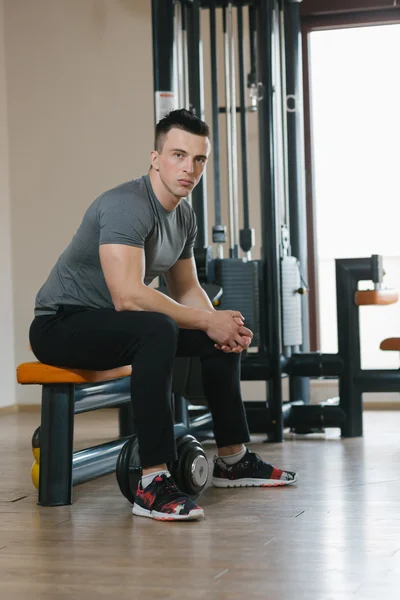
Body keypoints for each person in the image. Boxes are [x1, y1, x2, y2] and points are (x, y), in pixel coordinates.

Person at [29, 109, 297, 522]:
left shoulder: (184, 215)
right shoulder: (126, 205)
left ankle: (232, 459)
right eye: (178, 155)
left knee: (217, 331)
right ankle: (151, 482)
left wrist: (220, 326)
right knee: (156, 328)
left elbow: (187, 289)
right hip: (61, 323)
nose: (188, 168)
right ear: (155, 157)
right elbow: (129, 297)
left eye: (199, 159)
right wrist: (207, 321)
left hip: (116, 326)